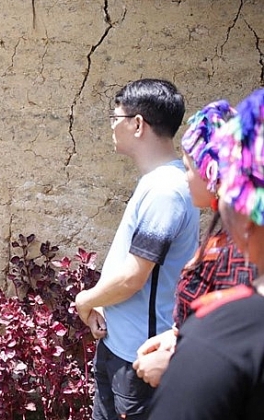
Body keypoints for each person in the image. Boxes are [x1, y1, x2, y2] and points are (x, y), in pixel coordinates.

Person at [75, 78, 200, 420]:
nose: (113, 126)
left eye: (115, 117)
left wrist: (86, 300)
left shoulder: (165, 191)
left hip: (140, 360)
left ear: (138, 124)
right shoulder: (158, 182)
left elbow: (134, 276)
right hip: (121, 347)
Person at [147, 88, 264, 420]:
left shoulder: (235, 254)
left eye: (189, 167)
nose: (185, 178)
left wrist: (185, 357)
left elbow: (239, 330)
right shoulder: (217, 235)